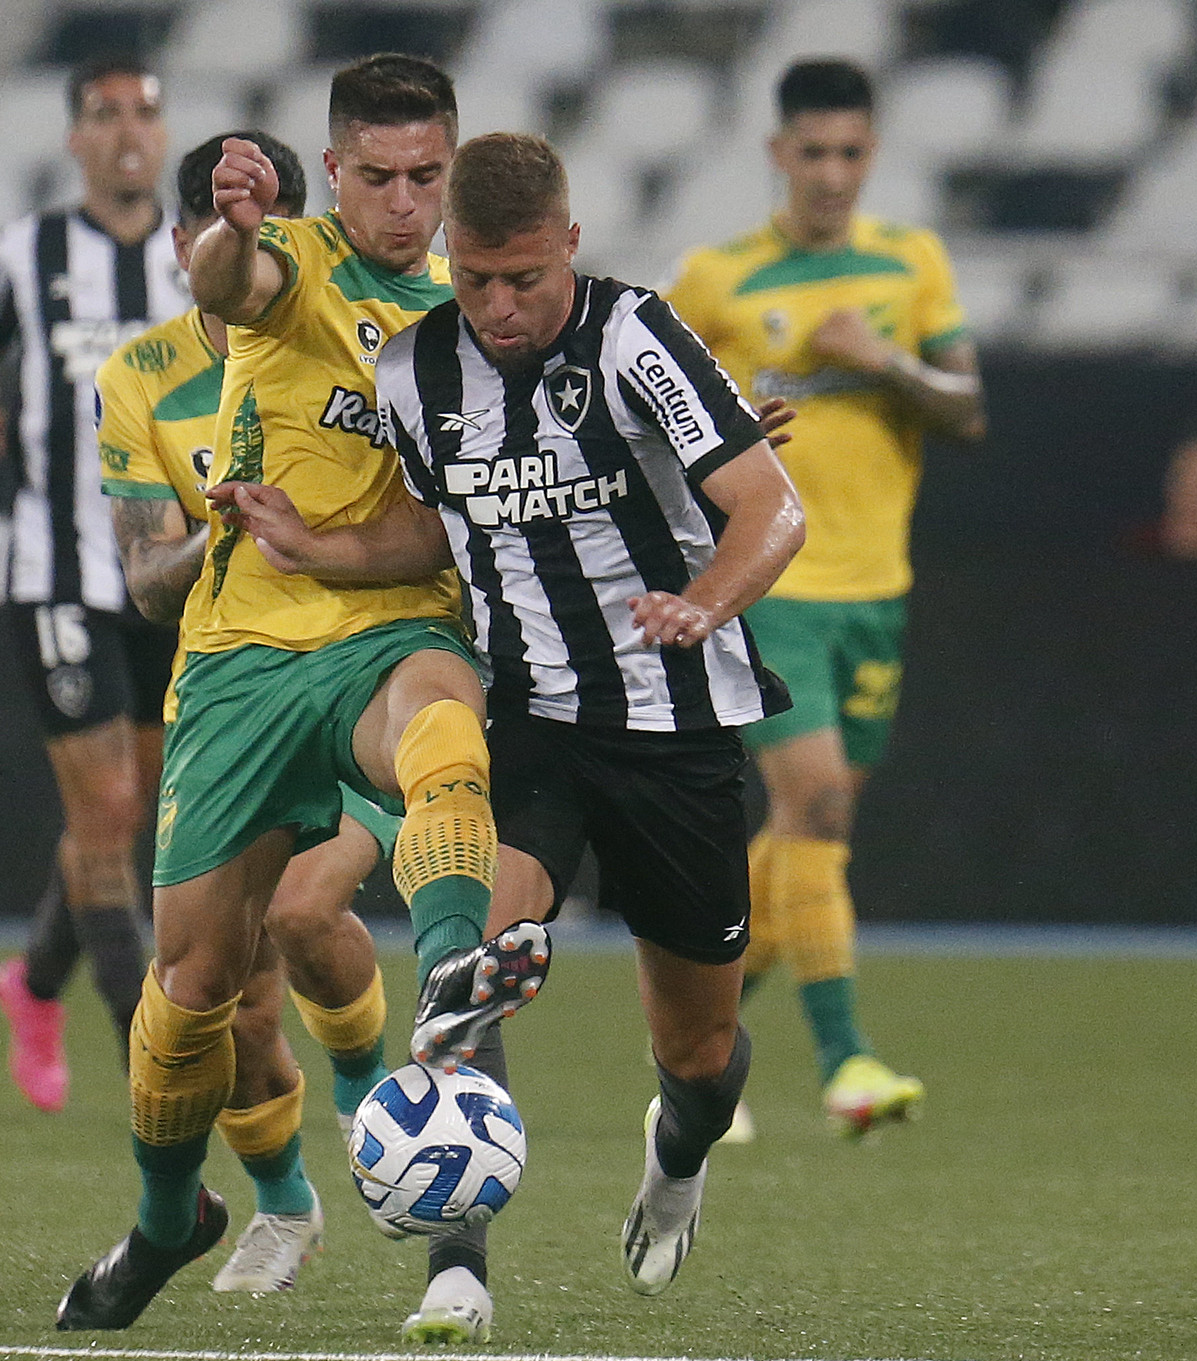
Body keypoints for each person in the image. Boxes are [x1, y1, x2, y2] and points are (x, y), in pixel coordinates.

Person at [221, 130, 807, 1297]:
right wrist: (317, 546)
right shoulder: (412, 374)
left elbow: (769, 509)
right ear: (451, 255)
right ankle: (456, 1268)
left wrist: (700, 604)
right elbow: (438, 525)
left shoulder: (637, 335)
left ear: (571, 247)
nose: (497, 305)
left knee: (698, 1054)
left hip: (677, 726)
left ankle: (676, 1160)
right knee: (465, 967)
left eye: (524, 279)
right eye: (475, 276)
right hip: (525, 714)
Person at [52, 56, 548, 1341]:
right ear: (333, 173)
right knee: (192, 982)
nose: (401, 204)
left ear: (451, 173)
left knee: (443, 730)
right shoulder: (292, 266)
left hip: (389, 636)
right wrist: (232, 225)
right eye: (376, 178)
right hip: (240, 657)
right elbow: (231, 284)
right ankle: (171, 1216)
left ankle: (452, 979)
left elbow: (451, 532)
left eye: (425, 179)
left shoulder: (472, 319)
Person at [94, 127, 406, 1294]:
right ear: (187, 245)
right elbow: (140, 577)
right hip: (231, 682)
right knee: (214, 994)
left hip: (368, 659)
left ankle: (377, 1108)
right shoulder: (139, 376)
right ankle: (272, 1203)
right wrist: (214, 534)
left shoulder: (368, 315)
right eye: (228, 233)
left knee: (310, 913)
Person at [663, 57, 986, 1143]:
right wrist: (725, 418)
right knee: (819, 809)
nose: (832, 173)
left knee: (804, 839)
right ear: (776, 154)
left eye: (850, 152)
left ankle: (687, 1043)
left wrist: (881, 357)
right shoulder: (716, 279)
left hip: (876, 592)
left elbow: (965, 407)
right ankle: (844, 1060)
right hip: (774, 581)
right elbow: (638, 413)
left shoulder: (908, 263)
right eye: (813, 152)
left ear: (870, 156)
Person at [0, 56, 190, 1100]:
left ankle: (33, 980)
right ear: (74, 140)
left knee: (128, 813)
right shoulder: (22, 254)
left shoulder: (196, 264)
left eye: (143, 113)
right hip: (53, 569)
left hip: (166, 569)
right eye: (105, 115)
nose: (128, 132)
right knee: (107, 814)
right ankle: (148, 1043)